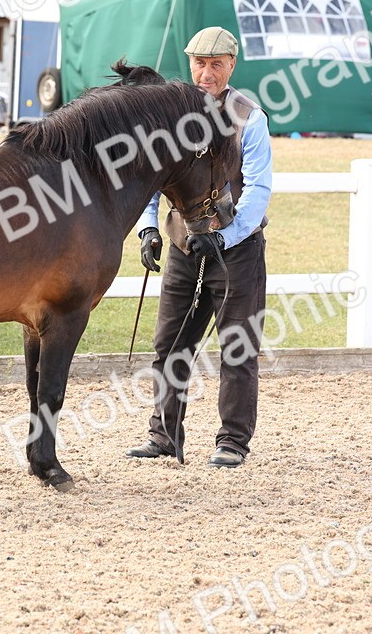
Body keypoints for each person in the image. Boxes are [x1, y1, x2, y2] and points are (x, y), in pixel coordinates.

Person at [126, 26, 273, 468]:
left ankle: (232, 441)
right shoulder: (174, 117)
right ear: (190, 63)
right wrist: (148, 227)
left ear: (231, 65)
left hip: (237, 250)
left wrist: (223, 237)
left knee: (237, 347)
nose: (205, 73)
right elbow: (155, 178)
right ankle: (165, 435)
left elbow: (259, 190)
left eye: (215, 64)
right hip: (184, 246)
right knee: (169, 344)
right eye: (199, 64)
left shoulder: (250, 118)